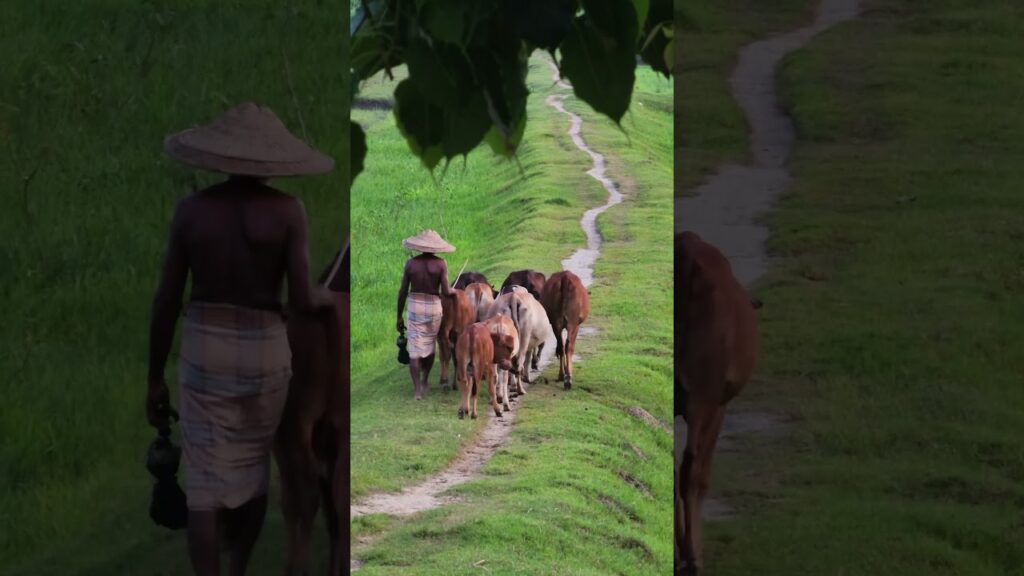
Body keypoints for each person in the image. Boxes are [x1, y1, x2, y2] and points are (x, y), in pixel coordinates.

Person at [147, 102, 335, 576]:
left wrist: (154, 378)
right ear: (270, 160)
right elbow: (301, 297)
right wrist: (329, 303)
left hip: (205, 347)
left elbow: (167, 299)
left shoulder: (192, 212)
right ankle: (239, 569)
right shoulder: (287, 212)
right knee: (254, 471)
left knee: (206, 487)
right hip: (266, 350)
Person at [396, 229, 456, 400]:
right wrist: (453, 292)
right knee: (430, 345)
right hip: (434, 306)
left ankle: (417, 391)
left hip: (415, 305)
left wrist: (399, 316)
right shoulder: (441, 264)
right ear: (436, 247)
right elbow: (445, 291)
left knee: (414, 349)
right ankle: (424, 381)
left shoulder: (411, 264)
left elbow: (402, 291)